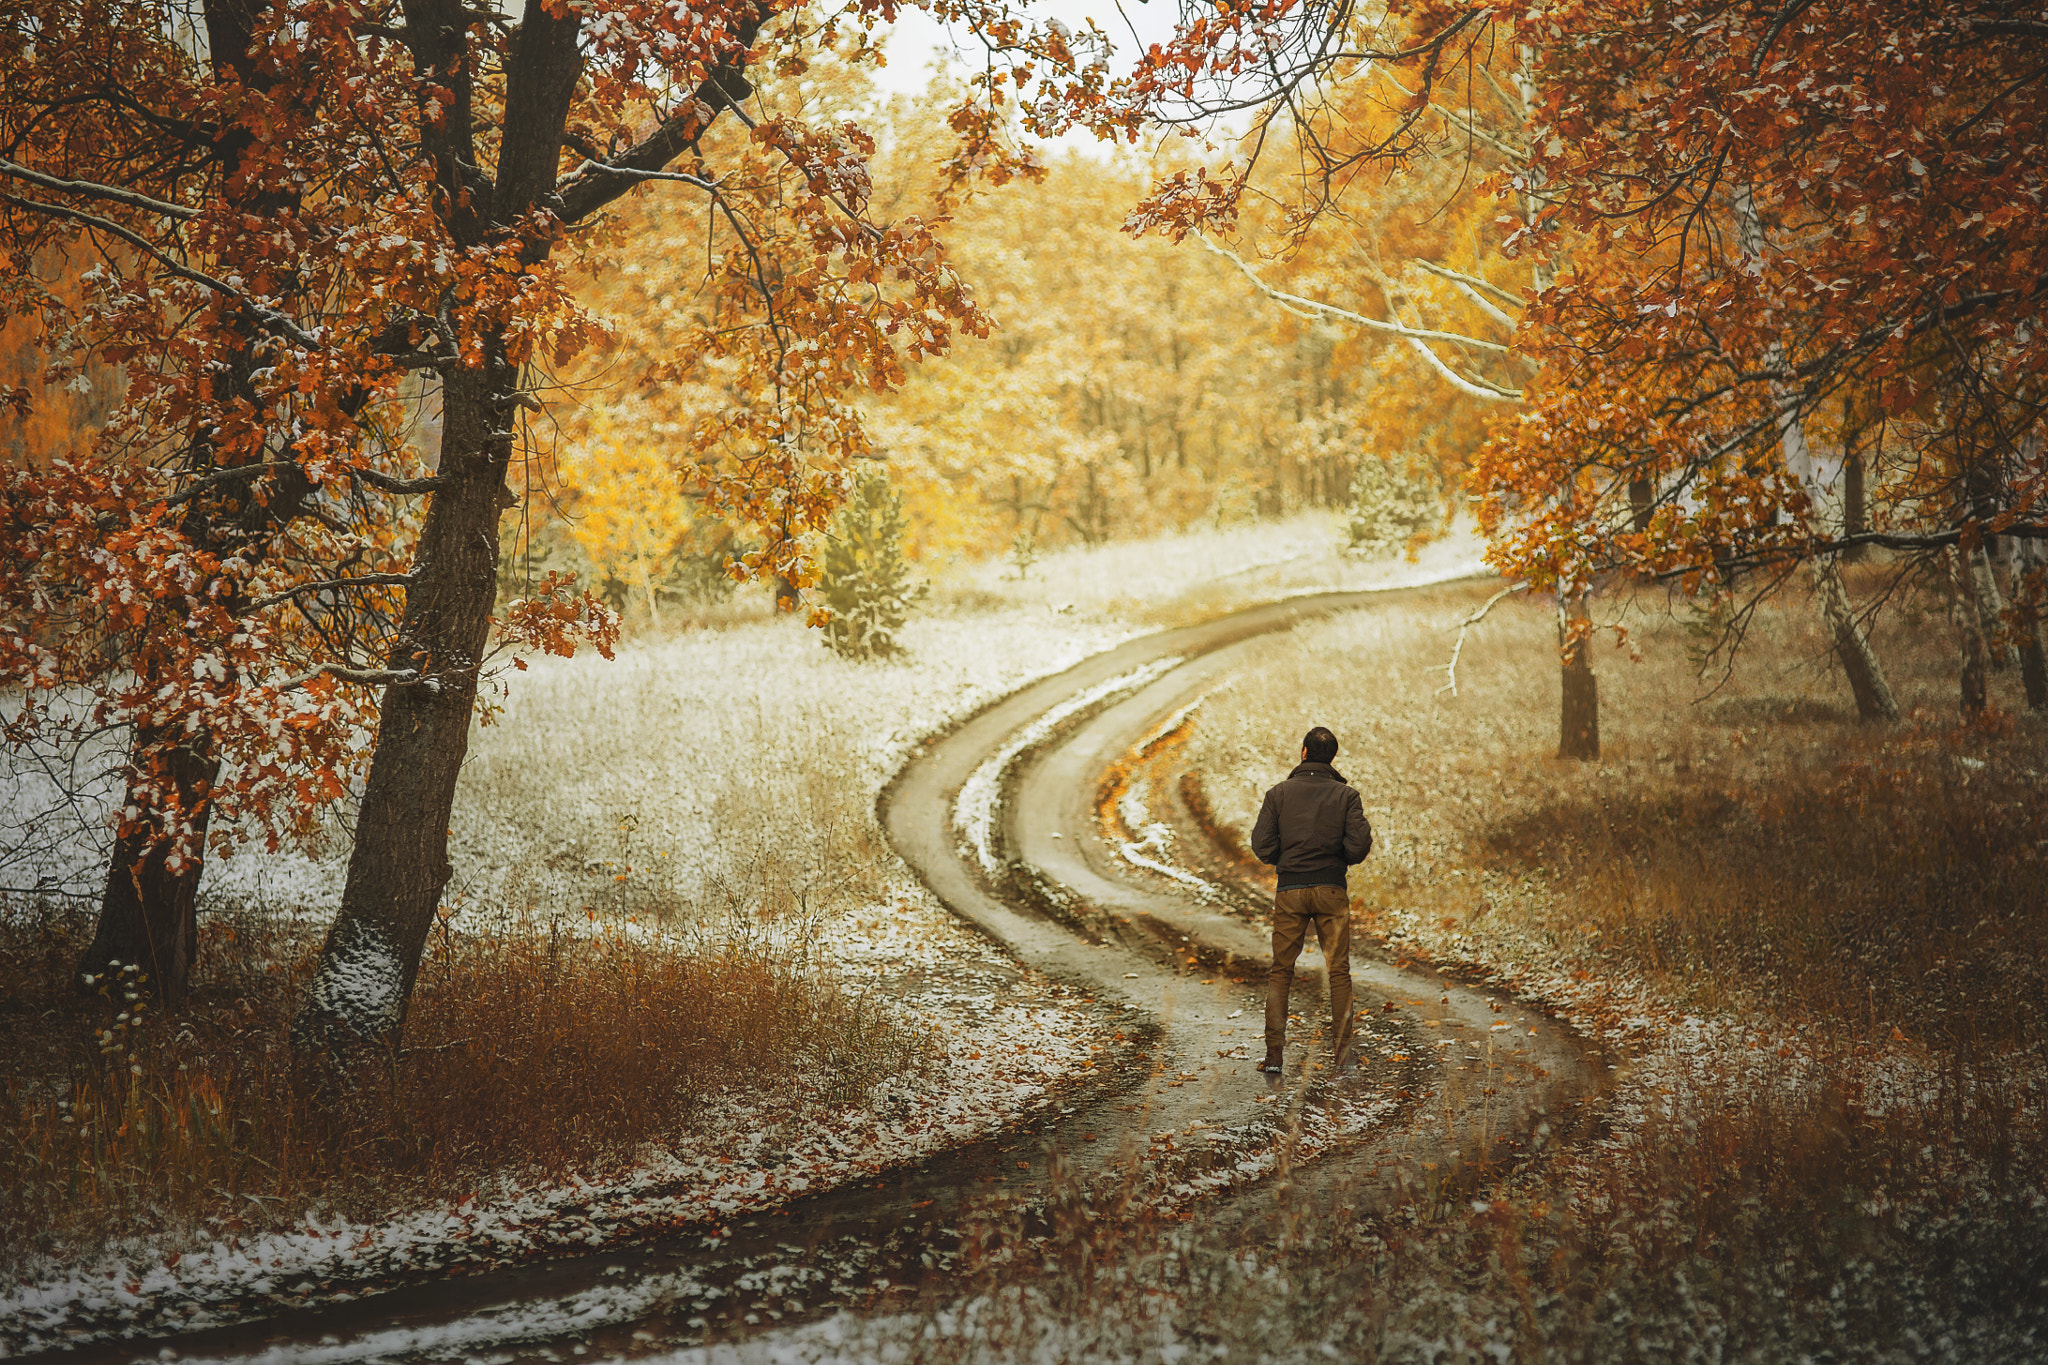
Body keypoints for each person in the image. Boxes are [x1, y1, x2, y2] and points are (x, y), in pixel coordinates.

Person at [1249, 725, 1372, 1075]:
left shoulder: (1278, 794)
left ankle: (1274, 1056)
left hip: (1289, 891)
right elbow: (1359, 845)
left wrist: (1284, 860)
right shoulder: (1346, 796)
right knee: (1338, 972)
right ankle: (1343, 1055)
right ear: (1331, 757)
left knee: (1281, 972)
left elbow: (1261, 844)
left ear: (1303, 752)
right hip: (1332, 890)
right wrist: (1339, 858)